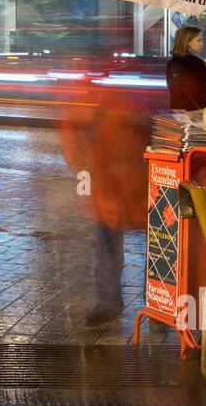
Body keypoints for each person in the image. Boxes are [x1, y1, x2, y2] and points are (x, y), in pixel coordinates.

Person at [60, 82, 150, 324]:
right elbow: (75, 137)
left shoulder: (112, 100)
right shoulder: (105, 100)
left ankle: (124, 301)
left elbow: (74, 138)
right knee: (122, 244)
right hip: (115, 186)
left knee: (138, 245)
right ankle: (129, 301)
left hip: (131, 185)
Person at [166, 25, 206, 111]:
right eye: (198, 40)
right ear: (187, 42)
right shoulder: (197, 63)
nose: (202, 44)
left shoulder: (171, 63)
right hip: (196, 111)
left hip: (178, 111)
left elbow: (173, 90)